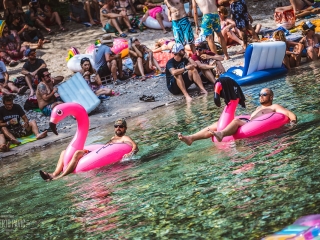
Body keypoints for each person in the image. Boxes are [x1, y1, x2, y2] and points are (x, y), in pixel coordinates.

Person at [178, 88, 297, 145]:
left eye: (264, 94)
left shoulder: (275, 106)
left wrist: (292, 124)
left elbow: (290, 114)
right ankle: (191, 138)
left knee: (236, 121)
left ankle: (221, 134)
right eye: (259, 94)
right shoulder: (258, 108)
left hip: (249, 124)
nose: (261, 96)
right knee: (216, 124)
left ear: (271, 97)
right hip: (249, 122)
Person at [39, 118, 139, 181]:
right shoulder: (113, 139)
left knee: (78, 153)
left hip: (104, 155)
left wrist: (130, 153)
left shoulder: (124, 138)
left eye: (121, 127)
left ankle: (60, 177)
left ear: (125, 128)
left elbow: (135, 146)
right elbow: (103, 149)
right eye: (116, 126)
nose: (118, 128)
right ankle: (53, 174)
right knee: (64, 152)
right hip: (97, 153)